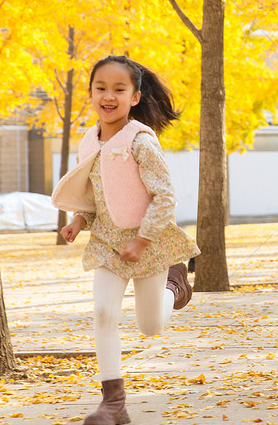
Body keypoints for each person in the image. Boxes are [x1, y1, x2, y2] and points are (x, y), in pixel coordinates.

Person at [52, 55, 200, 425]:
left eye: (119, 89)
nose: (108, 96)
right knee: (103, 312)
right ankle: (113, 403)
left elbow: (165, 197)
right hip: (106, 241)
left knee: (150, 325)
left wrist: (144, 241)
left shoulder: (141, 141)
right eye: (101, 88)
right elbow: (96, 194)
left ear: (134, 97)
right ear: (90, 93)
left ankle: (174, 285)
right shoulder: (89, 140)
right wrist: (79, 221)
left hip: (149, 241)